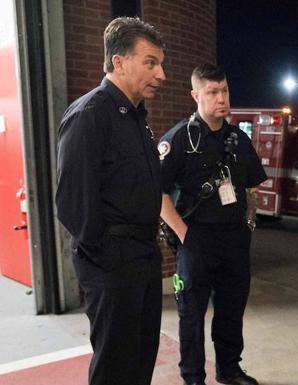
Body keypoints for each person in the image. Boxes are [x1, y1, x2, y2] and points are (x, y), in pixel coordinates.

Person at [55, 17, 165, 385]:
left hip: (143, 259)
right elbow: (73, 203)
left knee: (141, 360)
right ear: (118, 61)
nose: (161, 73)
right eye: (150, 62)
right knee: (115, 367)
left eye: (160, 63)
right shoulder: (90, 114)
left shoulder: (136, 118)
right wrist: (108, 262)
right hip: (114, 265)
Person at [159, 64, 266, 385]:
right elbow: (157, 193)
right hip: (196, 239)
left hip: (233, 239)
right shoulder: (179, 138)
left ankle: (229, 369)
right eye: (213, 92)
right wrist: (184, 234)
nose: (222, 98)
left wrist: (248, 222)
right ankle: (193, 377)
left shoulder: (238, 139)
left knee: (231, 310)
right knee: (191, 314)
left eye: (225, 91)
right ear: (196, 95)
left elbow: (252, 187)